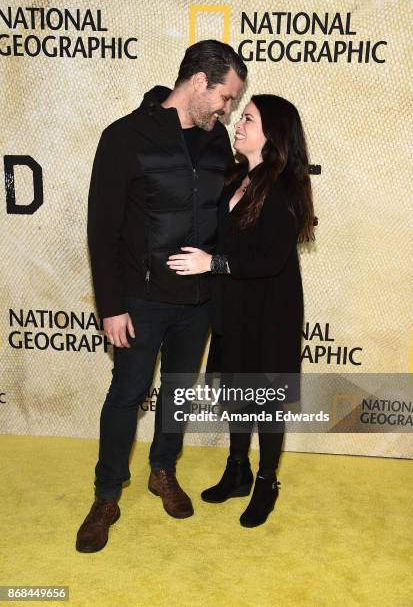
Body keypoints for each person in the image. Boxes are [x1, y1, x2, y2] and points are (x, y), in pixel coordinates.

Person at [76, 40, 247, 553]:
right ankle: (107, 494)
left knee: (177, 392)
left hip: (198, 301)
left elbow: (224, 215)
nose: (228, 109)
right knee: (126, 396)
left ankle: (162, 471)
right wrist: (111, 306)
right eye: (226, 97)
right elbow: (101, 230)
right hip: (140, 300)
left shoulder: (218, 144)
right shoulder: (126, 137)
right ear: (199, 82)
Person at [167, 94, 315, 527]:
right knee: (236, 395)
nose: (238, 123)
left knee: (265, 404)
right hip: (232, 310)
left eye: (248, 118)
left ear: (272, 135)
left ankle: (267, 481)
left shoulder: (285, 188)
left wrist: (210, 263)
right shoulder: (236, 180)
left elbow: (269, 259)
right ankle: (238, 471)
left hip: (269, 315)